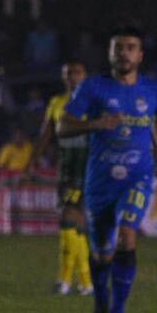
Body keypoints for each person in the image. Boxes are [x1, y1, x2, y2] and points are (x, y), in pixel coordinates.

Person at [56, 27, 157, 313]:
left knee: (127, 236)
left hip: (138, 176)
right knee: (102, 253)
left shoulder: (155, 89)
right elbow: (63, 126)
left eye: (131, 47)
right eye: (118, 47)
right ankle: (101, 305)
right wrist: (95, 123)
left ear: (140, 55)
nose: (124, 52)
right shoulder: (93, 88)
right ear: (110, 53)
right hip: (100, 182)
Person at [32, 60, 93, 296]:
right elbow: (46, 134)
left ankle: (67, 280)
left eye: (77, 72)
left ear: (85, 76)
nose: (72, 77)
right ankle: (84, 283)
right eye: (68, 73)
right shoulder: (57, 102)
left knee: (69, 218)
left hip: (85, 166)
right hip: (65, 167)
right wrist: (31, 162)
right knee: (74, 223)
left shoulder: (93, 102)